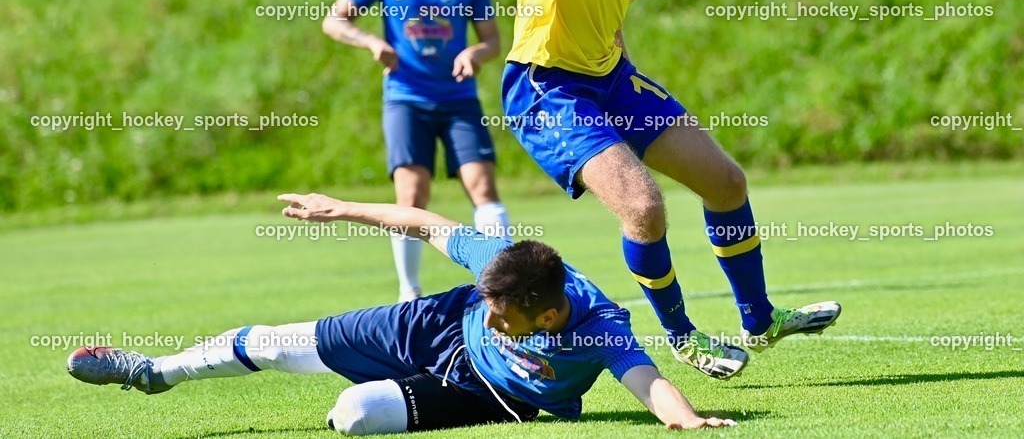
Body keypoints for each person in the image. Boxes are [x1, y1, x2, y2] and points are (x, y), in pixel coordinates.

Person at [495, 0, 841, 379]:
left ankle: (759, 321)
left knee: (726, 182)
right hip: (547, 85)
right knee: (644, 208)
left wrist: (620, 64)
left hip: (612, 79)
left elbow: (604, 5)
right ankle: (684, 337)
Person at [67, 192, 738, 433]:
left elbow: (647, 382)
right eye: (491, 298)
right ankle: (155, 370)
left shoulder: (598, 325)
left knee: (353, 415)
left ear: (546, 313)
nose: (494, 312)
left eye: (502, 312)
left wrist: (688, 419)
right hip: (434, 324)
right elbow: (422, 222)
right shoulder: (504, 267)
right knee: (276, 340)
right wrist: (341, 209)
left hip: (488, 393)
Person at [322, 0, 510, 301]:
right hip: (405, 98)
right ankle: (410, 294)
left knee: (482, 187)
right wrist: (370, 42)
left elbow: (493, 40)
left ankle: (508, 285)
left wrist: (475, 52)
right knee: (411, 195)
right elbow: (334, 20)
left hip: (459, 99)